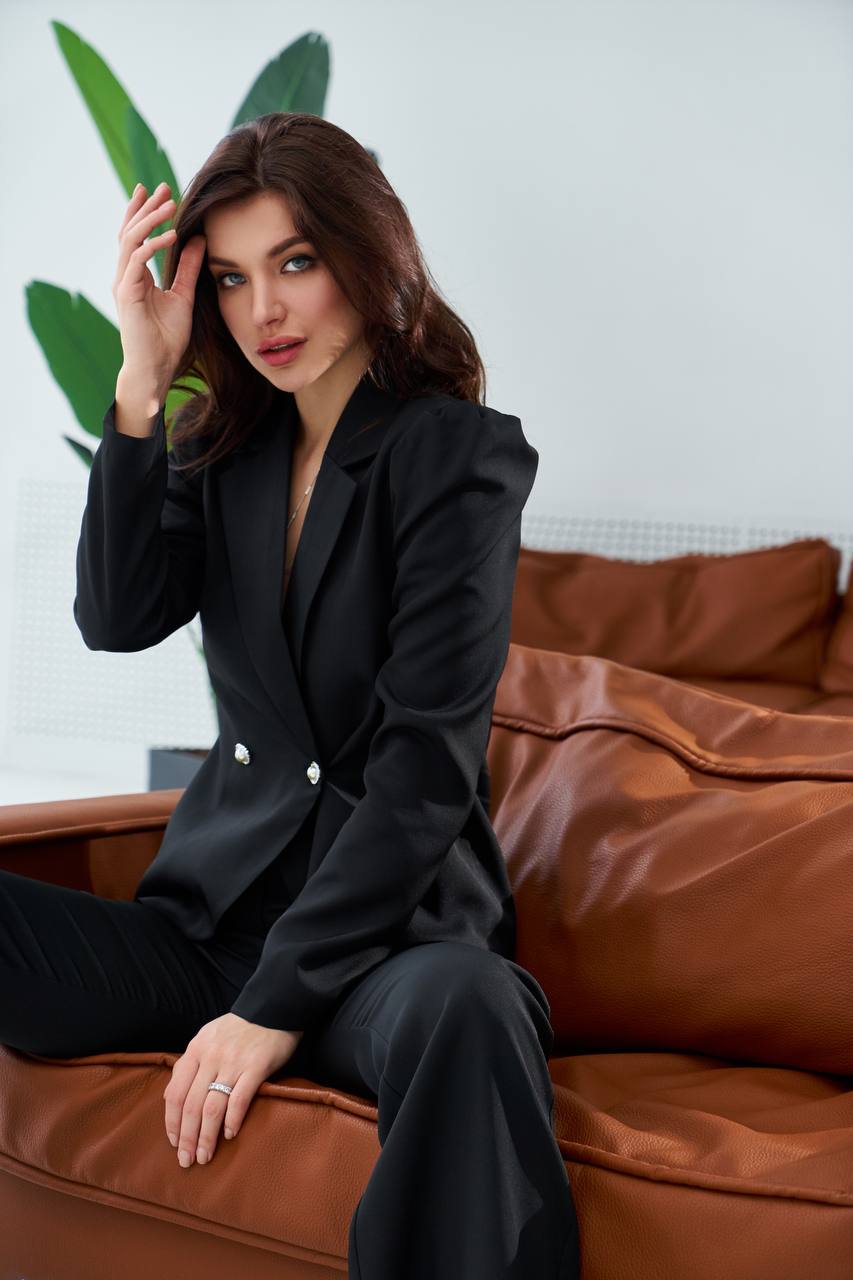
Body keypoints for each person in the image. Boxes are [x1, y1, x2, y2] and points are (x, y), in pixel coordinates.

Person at [1, 112, 581, 1278]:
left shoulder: (459, 459)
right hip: (205, 928)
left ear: (369, 259)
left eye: (296, 263)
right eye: (230, 278)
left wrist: (273, 1008)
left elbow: (424, 771)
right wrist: (140, 382)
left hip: (385, 952)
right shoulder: (225, 447)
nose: (263, 309)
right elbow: (113, 620)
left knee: (472, 1004)